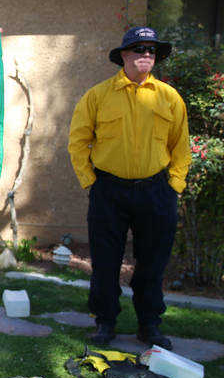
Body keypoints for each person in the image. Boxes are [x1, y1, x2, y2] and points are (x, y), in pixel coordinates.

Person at [68, 26, 191, 350]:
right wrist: (90, 180)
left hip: (156, 192)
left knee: (152, 263)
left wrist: (174, 185)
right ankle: (105, 322)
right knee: (106, 262)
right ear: (124, 55)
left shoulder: (169, 98)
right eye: (138, 49)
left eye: (151, 51)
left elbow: (181, 147)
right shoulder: (98, 96)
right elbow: (78, 141)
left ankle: (149, 325)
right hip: (109, 192)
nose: (145, 55)